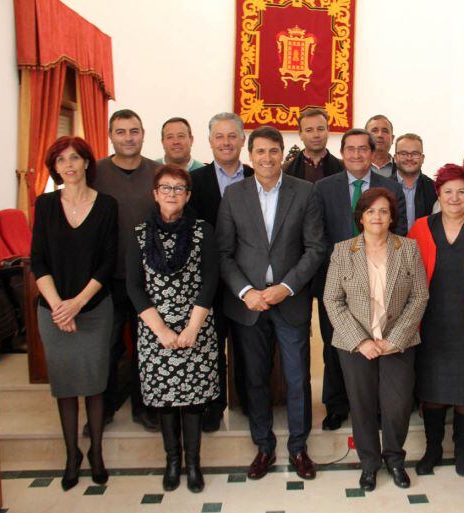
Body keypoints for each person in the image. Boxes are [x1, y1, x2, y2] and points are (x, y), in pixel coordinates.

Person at [216, 126, 325, 481]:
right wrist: (246, 292)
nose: (266, 158)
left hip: (288, 301)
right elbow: (223, 252)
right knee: (256, 379)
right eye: (259, 152)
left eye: (273, 151)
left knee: (297, 378)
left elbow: (315, 248)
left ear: (282, 154)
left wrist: (287, 286)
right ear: (250, 156)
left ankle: (298, 448)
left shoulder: (305, 192)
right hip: (249, 305)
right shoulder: (234, 195)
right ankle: (263, 446)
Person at [323, 187, 428, 492]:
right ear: (361, 216)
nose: (377, 217)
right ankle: (369, 463)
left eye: (384, 211)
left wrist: (395, 339)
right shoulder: (343, 250)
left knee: (396, 405)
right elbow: (332, 299)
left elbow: (420, 296)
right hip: (355, 344)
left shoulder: (408, 248)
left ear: (393, 216)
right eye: (371, 211)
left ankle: (395, 459)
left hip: (399, 342)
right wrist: (361, 341)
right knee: (362, 404)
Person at [126, 165, 219, 493]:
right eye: (166, 188)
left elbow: (210, 280)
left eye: (179, 189)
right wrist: (162, 331)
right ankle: (172, 463)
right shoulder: (139, 233)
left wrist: (192, 328)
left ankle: (193, 464)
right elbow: (134, 287)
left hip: (196, 324)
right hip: (155, 329)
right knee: (165, 400)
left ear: (188, 195)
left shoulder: (203, 231)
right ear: (155, 193)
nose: (172, 194)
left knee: (192, 400)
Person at [31, 136, 117, 491]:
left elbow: (107, 262)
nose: (68, 165)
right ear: (55, 167)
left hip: (94, 307)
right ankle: (72, 455)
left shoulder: (107, 205)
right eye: (61, 160)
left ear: (86, 163)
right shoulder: (46, 204)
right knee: (65, 387)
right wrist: (58, 306)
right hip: (53, 311)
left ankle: (96, 453)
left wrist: (79, 303)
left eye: (75, 158)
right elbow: (38, 260)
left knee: (95, 385)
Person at [313, 128, 408, 431]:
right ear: (342, 153)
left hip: (382, 279)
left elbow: (400, 230)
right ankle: (337, 404)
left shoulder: (390, 185)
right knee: (336, 345)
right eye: (350, 149)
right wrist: (345, 268)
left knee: (378, 343)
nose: (356, 154)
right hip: (338, 282)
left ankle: (377, 407)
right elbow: (318, 235)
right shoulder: (323, 188)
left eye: (362, 149)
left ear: (372, 152)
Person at [407, 164, 464, 478]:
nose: (455, 198)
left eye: (461, 191)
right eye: (448, 191)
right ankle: (433, 449)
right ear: (438, 194)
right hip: (430, 324)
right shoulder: (420, 227)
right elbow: (407, 275)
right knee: (431, 392)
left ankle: (462, 449)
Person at [94, 109, 161, 432]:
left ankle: (143, 406)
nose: (128, 137)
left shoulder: (158, 172)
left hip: (148, 280)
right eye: (121, 132)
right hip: (105, 277)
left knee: (145, 348)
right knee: (107, 347)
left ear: (143, 134)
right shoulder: (95, 172)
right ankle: (104, 407)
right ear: (111, 136)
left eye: (134, 131)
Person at [188, 112, 254, 431]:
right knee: (212, 345)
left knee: (246, 346)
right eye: (219, 136)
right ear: (210, 141)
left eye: (232, 136)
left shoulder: (258, 177)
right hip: (208, 280)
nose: (226, 142)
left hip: (248, 280)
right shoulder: (195, 181)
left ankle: (247, 402)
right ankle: (214, 406)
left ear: (243, 140)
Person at [283, 108, 343, 182]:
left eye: (320, 129)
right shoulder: (285, 170)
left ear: (328, 131)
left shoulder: (344, 167)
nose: (316, 135)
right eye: (309, 130)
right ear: (300, 134)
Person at [392, 133, 436, 227]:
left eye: (415, 154)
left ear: (422, 158)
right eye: (403, 154)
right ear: (395, 158)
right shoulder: (383, 188)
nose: (409, 158)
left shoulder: (434, 189)